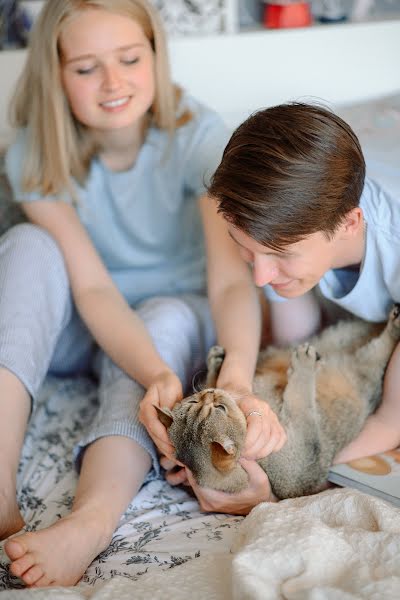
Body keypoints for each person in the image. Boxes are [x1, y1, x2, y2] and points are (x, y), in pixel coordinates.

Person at [1, 0, 286, 588]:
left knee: (159, 318)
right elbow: (93, 288)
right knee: (27, 244)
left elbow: (231, 280)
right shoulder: (32, 151)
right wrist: (147, 363)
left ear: (156, 55)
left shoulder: (199, 137)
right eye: (85, 68)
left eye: (130, 59)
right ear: (55, 75)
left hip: (180, 311)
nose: (112, 82)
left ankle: (91, 520)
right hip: (88, 318)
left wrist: (230, 376)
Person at [207, 101, 400, 472]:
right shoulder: (276, 215)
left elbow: (389, 425)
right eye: (246, 249)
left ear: (349, 224)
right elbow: (295, 343)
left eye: (281, 255)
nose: (261, 276)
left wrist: (284, 484)